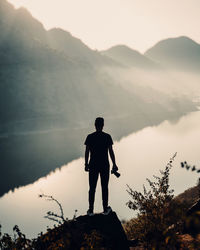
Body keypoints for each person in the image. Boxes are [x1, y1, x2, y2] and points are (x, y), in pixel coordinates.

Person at [84, 117, 118, 216]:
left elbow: (87, 152)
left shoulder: (90, 137)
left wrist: (86, 164)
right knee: (105, 187)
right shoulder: (107, 136)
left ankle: (90, 210)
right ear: (103, 125)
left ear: (95, 125)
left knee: (92, 188)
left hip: (93, 164)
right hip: (104, 165)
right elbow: (111, 151)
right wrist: (114, 164)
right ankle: (105, 209)